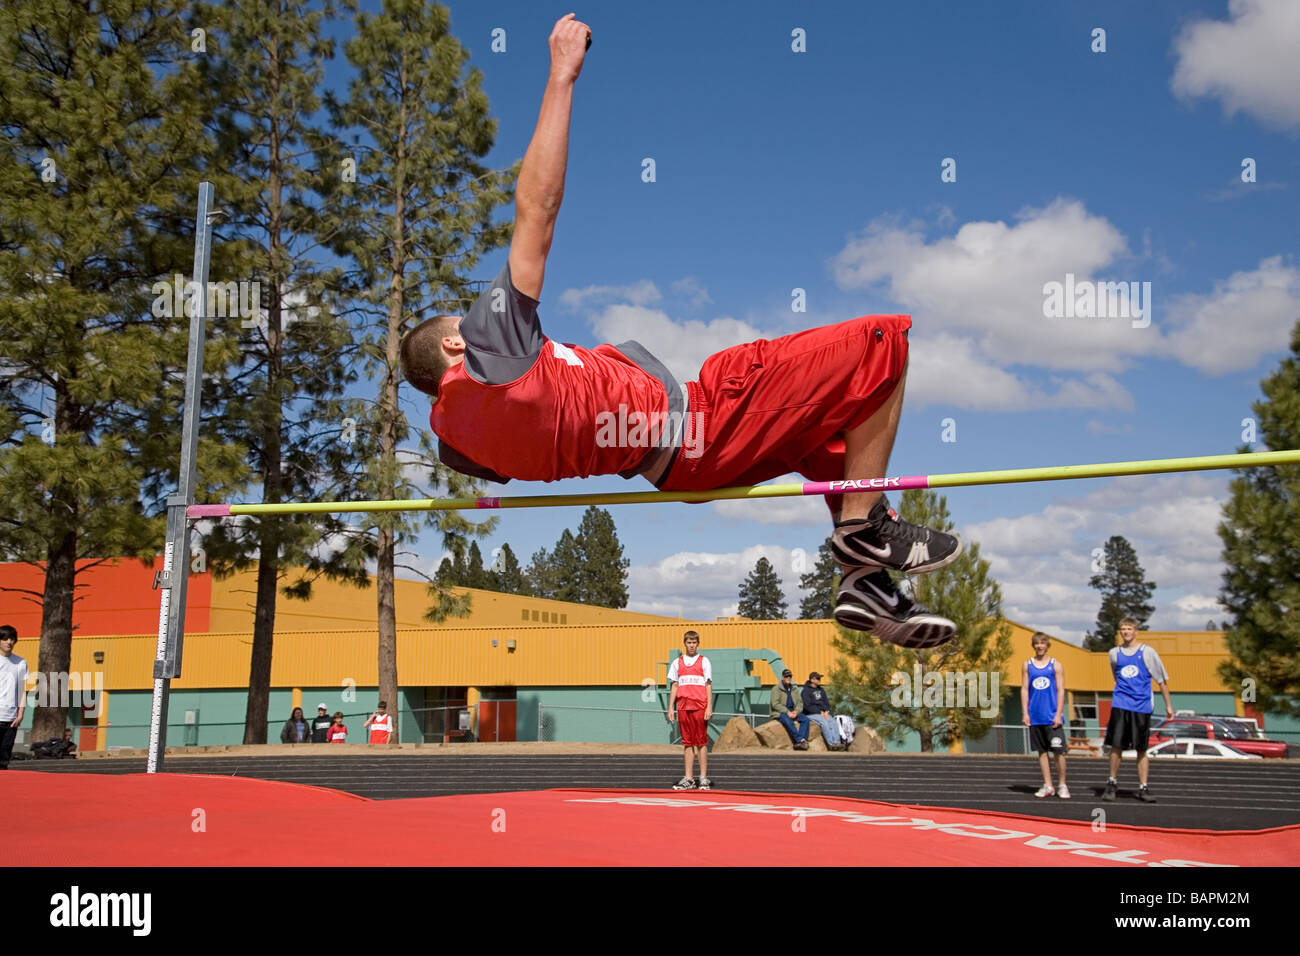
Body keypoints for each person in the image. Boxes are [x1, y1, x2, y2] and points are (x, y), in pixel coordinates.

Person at [399, 14, 961, 651]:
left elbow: (454, 439)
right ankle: (865, 532)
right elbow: (538, 209)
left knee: (829, 424)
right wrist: (562, 75)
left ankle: (864, 581)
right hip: (704, 425)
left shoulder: (461, 436)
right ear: (455, 344)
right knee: (882, 343)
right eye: (462, 327)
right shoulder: (487, 352)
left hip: (680, 464)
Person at [1103, 619, 1172, 803]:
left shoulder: (1147, 652)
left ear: (1136, 632)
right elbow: (1115, 675)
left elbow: (1162, 680)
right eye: (1123, 629)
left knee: (1141, 748)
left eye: (1129, 629)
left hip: (1141, 706)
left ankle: (1143, 787)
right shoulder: (1114, 653)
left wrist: (1168, 705)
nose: (1126, 632)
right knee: (1116, 746)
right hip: (1120, 704)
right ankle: (1112, 782)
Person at [1021, 632, 1068, 798]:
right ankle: (1048, 785)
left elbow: (1061, 690)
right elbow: (1025, 689)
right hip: (1035, 716)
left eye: (1042, 643)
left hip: (1052, 717)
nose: (1039, 646)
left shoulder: (1056, 665)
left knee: (1058, 752)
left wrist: (1058, 713)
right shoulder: (1027, 665)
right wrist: (1025, 712)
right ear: (1033, 645)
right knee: (1042, 752)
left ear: (1047, 645)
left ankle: (1062, 784)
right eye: (1036, 643)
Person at [667, 631, 713, 790]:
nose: (691, 645)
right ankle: (689, 778)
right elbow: (674, 686)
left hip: (700, 705)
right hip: (682, 706)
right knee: (687, 743)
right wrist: (670, 707)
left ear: (698, 644)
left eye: (694, 642)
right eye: (689, 642)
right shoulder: (676, 663)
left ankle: (703, 778)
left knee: (701, 742)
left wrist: (709, 706)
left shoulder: (704, 661)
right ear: (685, 643)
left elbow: (708, 685)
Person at [0, 625, 27, 770]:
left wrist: (20, 714)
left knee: (4, 760)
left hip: (11, 719)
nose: (9, 642)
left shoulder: (21, 663)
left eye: (11, 639)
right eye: (5, 639)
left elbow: (22, 690)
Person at [802, 672, 845, 750]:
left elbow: (826, 703)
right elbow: (806, 706)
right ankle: (831, 744)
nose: (819, 680)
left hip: (823, 713)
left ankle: (837, 743)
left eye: (819, 678)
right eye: (818, 678)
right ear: (812, 680)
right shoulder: (806, 691)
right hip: (811, 714)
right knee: (824, 722)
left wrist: (826, 711)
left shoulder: (821, 690)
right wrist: (819, 712)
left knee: (833, 722)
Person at [770, 668, 810, 750]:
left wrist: (796, 711)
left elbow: (800, 703)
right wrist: (787, 712)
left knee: (805, 719)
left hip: (793, 711)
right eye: (786, 676)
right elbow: (775, 704)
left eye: (790, 676)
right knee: (788, 720)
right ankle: (800, 740)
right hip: (781, 712)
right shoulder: (776, 689)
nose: (788, 678)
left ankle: (801, 741)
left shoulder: (794, 689)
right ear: (782, 677)